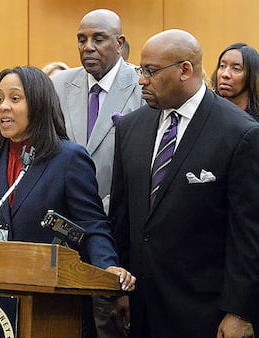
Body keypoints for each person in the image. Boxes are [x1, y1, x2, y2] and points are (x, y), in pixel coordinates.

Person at [110, 29, 259, 338]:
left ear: (185, 70)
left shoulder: (240, 133)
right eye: (141, 70)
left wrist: (240, 311)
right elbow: (122, 217)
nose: (141, 80)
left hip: (205, 314)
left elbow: (248, 234)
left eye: (150, 71)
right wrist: (120, 291)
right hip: (141, 309)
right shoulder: (130, 128)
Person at [0, 66, 135, 338]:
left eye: (15, 99)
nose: (3, 107)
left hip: (55, 302)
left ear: (38, 104)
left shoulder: (68, 158)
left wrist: (107, 266)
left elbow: (92, 222)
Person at [50, 9, 143, 337]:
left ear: (120, 44)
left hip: (119, 232)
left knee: (112, 326)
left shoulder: (142, 85)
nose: (88, 46)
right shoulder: (58, 85)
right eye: (81, 39)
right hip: (62, 233)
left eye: (98, 39)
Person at [211, 42, 259, 119]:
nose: (225, 74)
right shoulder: (208, 109)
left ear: (251, 75)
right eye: (222, 66)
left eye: (236, 69)